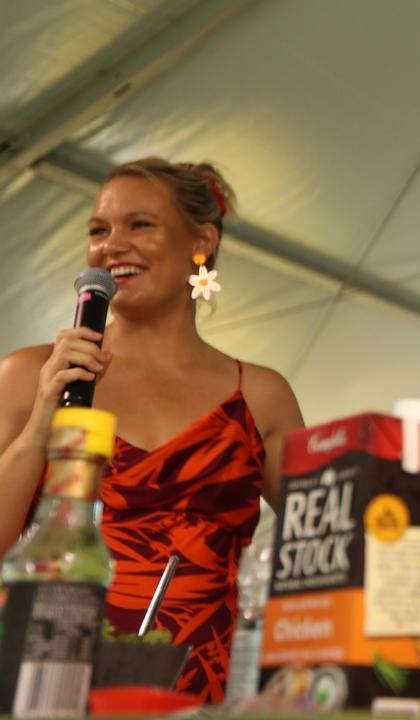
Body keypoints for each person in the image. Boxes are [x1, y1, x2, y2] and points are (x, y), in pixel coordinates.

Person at [0, 158, 305, 703]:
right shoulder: (30, 374)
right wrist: (41, 420)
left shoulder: (261, 397)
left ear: (202, 242)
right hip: (46, 685)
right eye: (98, 230)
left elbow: (323, 549)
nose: (111, 245)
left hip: (202, 697)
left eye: (139, 224)